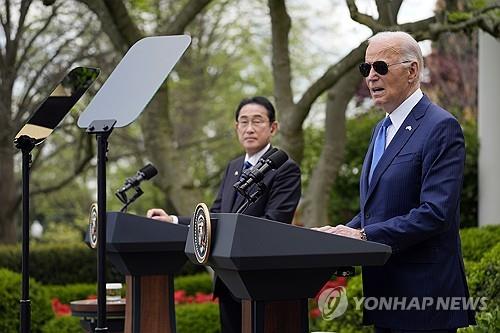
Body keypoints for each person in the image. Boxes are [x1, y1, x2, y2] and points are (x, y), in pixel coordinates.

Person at [315, 31, 475, 332]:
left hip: (425, 301)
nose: (371, 76)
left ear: (412, 70)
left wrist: (363, 236)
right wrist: (339, 233)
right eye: (366, 69)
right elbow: (378, 210)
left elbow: (435, 213)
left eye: (381, 67)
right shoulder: (380, 130)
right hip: (385, 292)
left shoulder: (442, 127)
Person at [147, 96, 301, 333]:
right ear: (236, 127)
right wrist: (173, 220)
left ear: (273, 127)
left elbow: (275, 223)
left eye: (257, 121)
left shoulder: (284, 168)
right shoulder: (234, 167)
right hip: (228, 279)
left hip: (261, 281)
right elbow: (217, 214)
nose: (249, 128)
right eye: (243, 121)